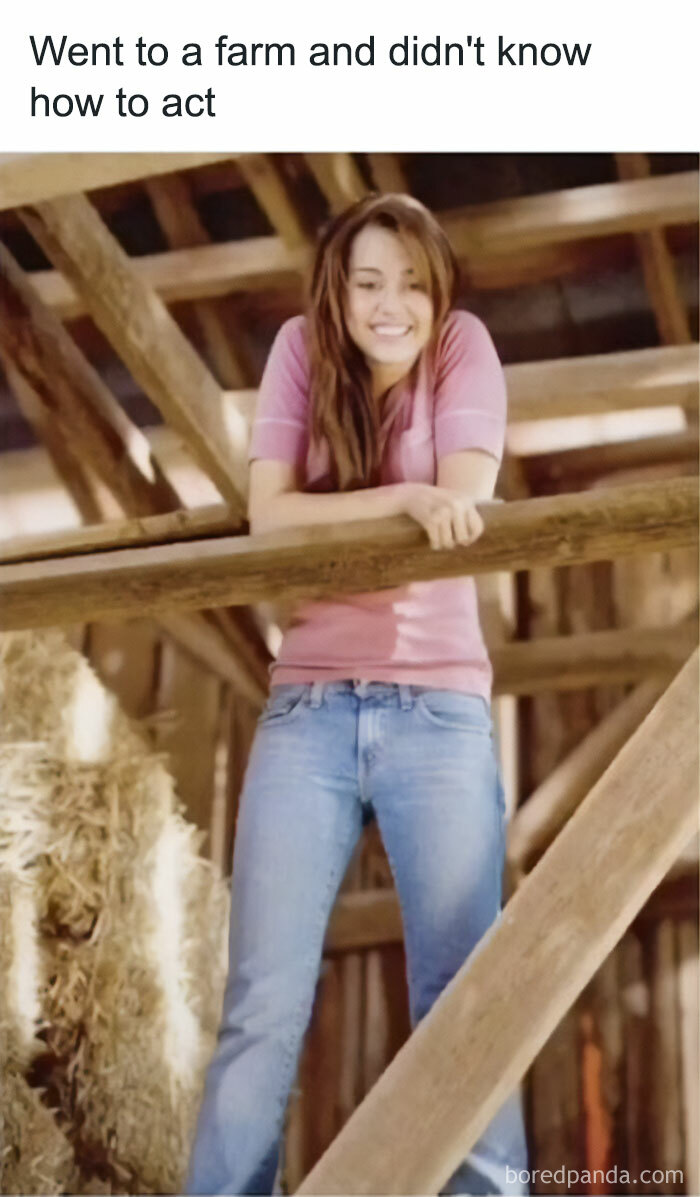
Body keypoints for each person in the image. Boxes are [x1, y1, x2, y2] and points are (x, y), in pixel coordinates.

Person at [184, 193, 529, 1196]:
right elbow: (268, 519)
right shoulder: (299, 347)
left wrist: (417, 503)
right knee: (261, 1001)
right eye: (367, 281)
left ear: (439, 295)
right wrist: (406, 500)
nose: (390, 305)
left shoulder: (463, 348)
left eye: (411, 285)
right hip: (310, 710)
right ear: (336, 290)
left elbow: (460, 502)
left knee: (465, 996)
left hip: (438, 713)